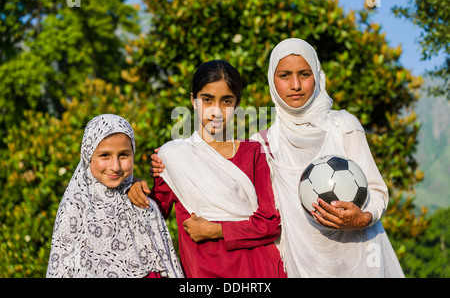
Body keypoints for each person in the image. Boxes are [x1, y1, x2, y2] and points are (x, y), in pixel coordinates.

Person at [145, 39, 405, 278]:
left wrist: (363, 218)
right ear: (273, 80)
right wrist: (135, 184)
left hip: (360, 256)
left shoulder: (343, 126)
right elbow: (152, 211)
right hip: (301, 265)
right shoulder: (265, 142)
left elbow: (377, 190)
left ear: (318, 76)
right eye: (284, 75)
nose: (295, 85)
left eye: (305, 74)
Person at [128, 60, 286, 278]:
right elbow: (152, 216)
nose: (216, 111)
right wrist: (132, 185)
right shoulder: (174, 157)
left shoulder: (254, 153)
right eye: (207, 100)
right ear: (193, 101)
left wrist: (218, 230)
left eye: (226, 101)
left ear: (237, 105)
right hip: (203, 272)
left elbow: (270, 223)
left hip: (257, 270)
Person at [47, 114, 183, 278]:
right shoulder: (75, 208)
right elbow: (61, 268)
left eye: (124, 155)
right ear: (87, 155)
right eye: (105, 155)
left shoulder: (141, 202)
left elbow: (166, 265)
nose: (115, 166)